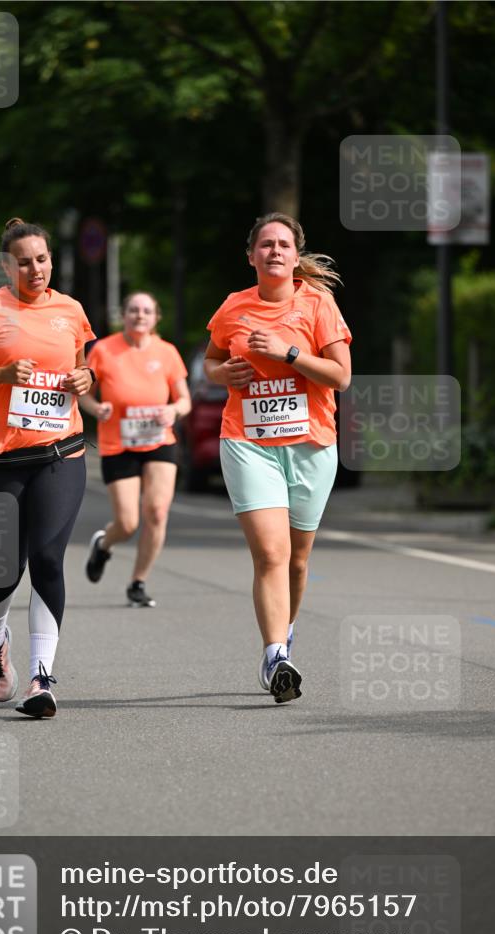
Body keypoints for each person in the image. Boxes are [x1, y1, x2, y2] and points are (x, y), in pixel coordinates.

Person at [0, 217, 94, 719]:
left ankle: (41, 677)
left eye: (43, 259)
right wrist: (3, 373)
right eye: (24, 261)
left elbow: (81, 368)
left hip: (60, 451)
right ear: (7, 266)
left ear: (52, 260)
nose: (36, 268)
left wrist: (84, 379)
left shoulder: (70, 310)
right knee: (8, 566)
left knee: (48, 558)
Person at [204, 213, 352, 704]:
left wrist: (289, 353)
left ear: (295, 255)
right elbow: (209, 361)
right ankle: (275, 657)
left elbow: (340, 376)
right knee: (270, 554)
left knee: (298, 559)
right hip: (247, 442)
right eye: (265, 245)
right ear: (251, 256)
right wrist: (223, 373)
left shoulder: (317, 304)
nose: (274, 252)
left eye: (283, 244)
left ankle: (284, 635)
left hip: (311, 444)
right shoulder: (233, 308)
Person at [82, 291, 191, 607]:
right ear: (124, 316)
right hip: (119, 443)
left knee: (157, 512)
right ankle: (105, 544)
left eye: (146, 311)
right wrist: (96, 408)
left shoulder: (167, 352)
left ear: (156, 317)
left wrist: (174, 411)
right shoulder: (104, 350)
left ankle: (138, 581)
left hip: (159, 440)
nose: (139, 315)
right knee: (128, 523)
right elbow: (84, 395)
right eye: (133, 310)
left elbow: (184, 399)